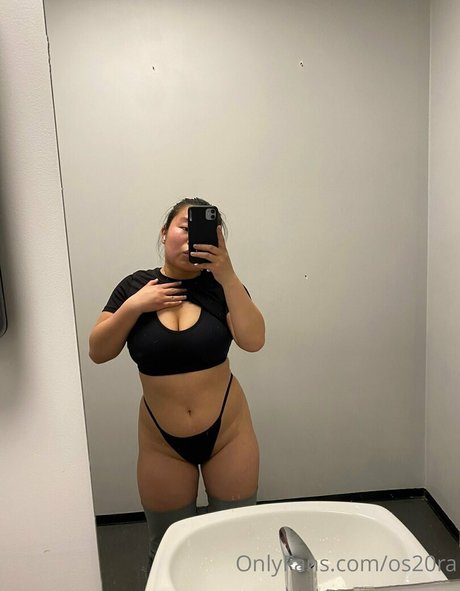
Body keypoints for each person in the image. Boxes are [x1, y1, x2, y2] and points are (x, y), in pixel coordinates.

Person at [89, 197, 265, 569]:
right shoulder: (135, 287)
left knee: (236, 543)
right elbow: (98, 351)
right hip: (162, 443)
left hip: (228, 434)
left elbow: (253, 340)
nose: (190, 238)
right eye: (184, 227)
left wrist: (228, 275)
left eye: (203, 231)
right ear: (164, 232)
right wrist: (135, 305)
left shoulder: (222, 287)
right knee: (167, 550)